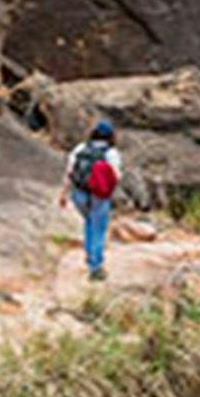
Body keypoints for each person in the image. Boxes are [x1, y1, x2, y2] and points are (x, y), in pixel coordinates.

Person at [60, 119, 123, 281]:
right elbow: (116, 176)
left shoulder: (80, 149)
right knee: (99, 227)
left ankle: (89, 254)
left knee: (89, 221)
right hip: (99, 195)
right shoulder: (111, 153)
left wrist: (64, 194)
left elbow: (69, 172)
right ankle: (96, 267)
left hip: (79, 193)